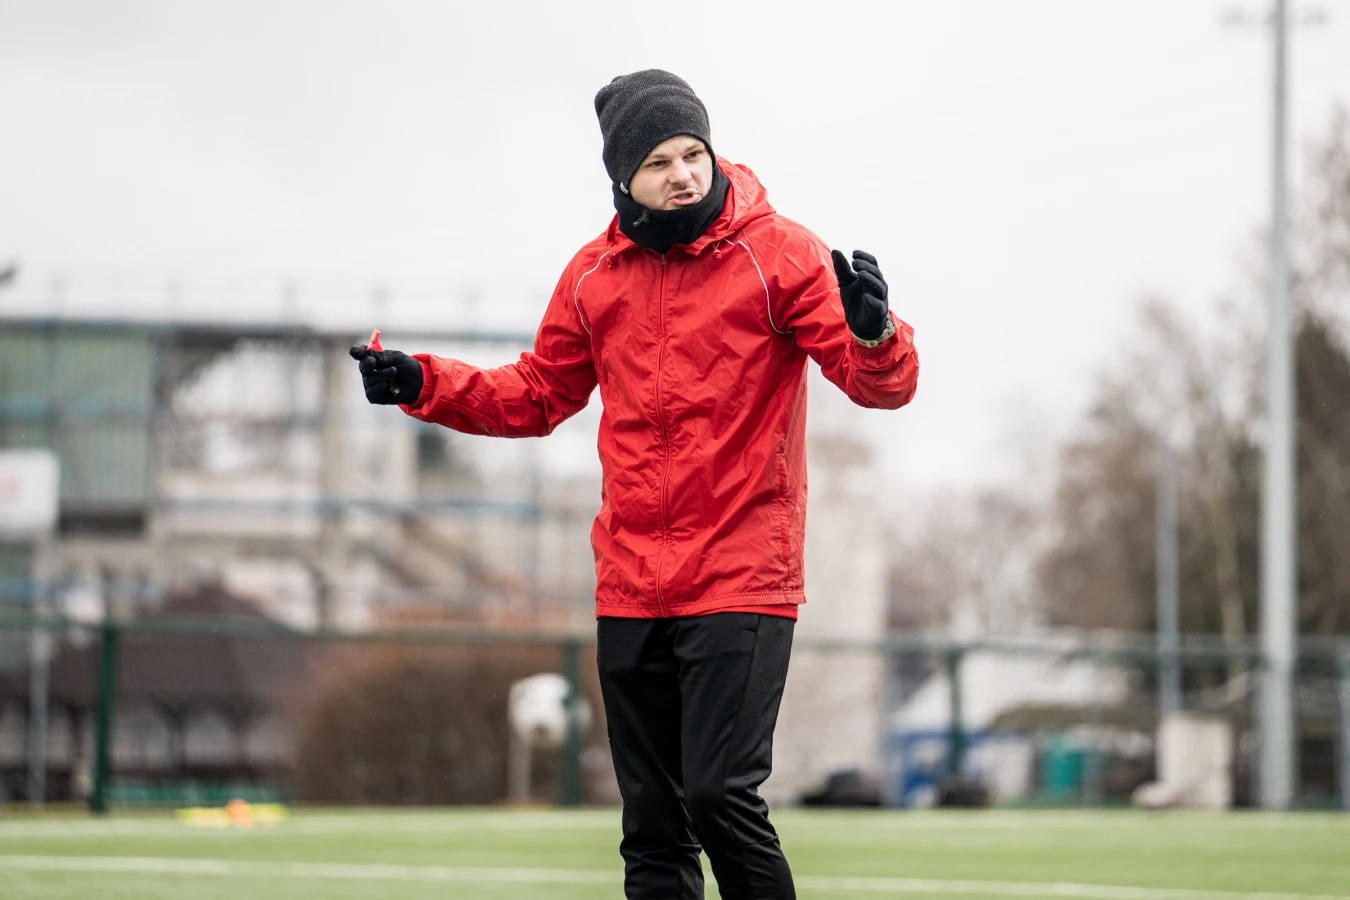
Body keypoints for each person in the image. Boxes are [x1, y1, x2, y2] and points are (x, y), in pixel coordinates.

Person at [350, 69, 918, 900]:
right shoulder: (593, 275)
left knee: (720, 797)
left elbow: (882, 386)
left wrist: (873, 333)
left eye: (694, 153)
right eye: (659, 162)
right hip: (631, 583)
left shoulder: (782, 254)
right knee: (652, 826)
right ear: (623, 176)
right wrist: (423, 382)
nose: (683, 174)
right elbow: (538, 394)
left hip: (741, 573)